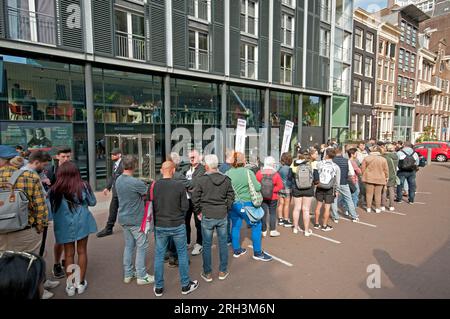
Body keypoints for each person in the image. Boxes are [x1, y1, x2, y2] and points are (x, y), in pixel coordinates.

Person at [48, 162, 97, 296]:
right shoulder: (83, 185)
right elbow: (93, 202)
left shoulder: (54, 189)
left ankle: (70, 285)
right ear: (76, 173)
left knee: (68, 253)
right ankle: (80, 283)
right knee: (82, 251)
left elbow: (50, 210)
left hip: (64, 223)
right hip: (82, 221)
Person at [152, 161, 198, 297]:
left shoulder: (155, 185)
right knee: (182, 254)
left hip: (160, 224)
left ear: (162, 170)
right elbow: (185, 206)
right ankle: (185, 285)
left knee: (159, 255)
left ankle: (159, 287)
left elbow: (152, 205)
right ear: (172, 171)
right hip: (177, 224)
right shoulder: (179, 185)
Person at [21, 150, 59, 299]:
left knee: (41, 251)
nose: (45, 168)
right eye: (43, 165)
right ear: (36, 162)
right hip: (36, 221)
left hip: (38, 220)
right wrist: (42, 221)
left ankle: (42, 281)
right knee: (35, 254)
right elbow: (37, 200)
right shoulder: (29, 175)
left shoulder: (33, 174)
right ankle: (38, 288)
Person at [192, 154, 234, 282]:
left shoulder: (202, 180)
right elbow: (231, 197)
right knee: (223, 244)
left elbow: (195, 198)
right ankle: (222, 270)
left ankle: (207, 272)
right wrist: (226, 208)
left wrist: (199, 211)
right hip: (221, 214)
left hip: (208, 215)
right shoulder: (226, 179)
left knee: (206, 244)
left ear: (206, 166)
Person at [0, 145, 48, 254]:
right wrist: (40, 226)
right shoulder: (29, 176)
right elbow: (40, 207)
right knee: (27, 265)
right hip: (24, 231)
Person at [226, 152, 272, 261]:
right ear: (243, 161)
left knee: (235, 226)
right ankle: (257, 252)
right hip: (247, 203)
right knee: (256, 225)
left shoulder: (227, 173)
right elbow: (257, 186)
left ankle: (237, 250)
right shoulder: (248, 172)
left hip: (233, 204)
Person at [115, 155, 154, 285]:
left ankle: (128, 273)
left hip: (123, 218)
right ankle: (141, 275)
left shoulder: (119, 179)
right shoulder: (135, 182)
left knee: (129, 246)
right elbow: (148, 193)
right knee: (142, 245)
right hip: (136, 219)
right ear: (135, 166)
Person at [43, 147, 73, 279]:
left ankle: (67, 260)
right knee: (60, 238)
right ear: (57, 157)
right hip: (58, 208)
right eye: (63, 156)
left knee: (71, 235)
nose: (66, 159)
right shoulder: (51, 170)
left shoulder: (73, 168)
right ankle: (56, 263)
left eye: (68, 156)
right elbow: (45, 190)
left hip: (71, 207)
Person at [167, 152, 192, 267]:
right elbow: (190, 185)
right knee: (179, 232)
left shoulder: (163, 175)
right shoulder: (178, 176)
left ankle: (170, 254)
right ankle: (177, 256)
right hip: (178, 207)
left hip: (167, 207)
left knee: (170, 232)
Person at [290, 152, 319, 236]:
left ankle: (295, 228)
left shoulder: (294, 165)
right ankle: (306, 231)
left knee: (296, 208)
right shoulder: (312, 165)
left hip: (297, 188)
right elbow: (316, 179)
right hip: (308, 188)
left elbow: (290, 177)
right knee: (306, 209)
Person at [183, 149, 205, 256]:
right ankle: (187, 242)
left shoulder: (202, 169)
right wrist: (189, 186)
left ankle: (199, 243)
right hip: (186, 200)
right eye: (190, 157)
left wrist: (187, 185)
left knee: (198, 223)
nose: (191, 159)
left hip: (198, 200)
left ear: (199, 157)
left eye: (194, 157)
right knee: (185, 222)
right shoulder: (186, 168)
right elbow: (184, 182)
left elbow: (195, 183)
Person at [97, 148, 123, 238]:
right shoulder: (115, 164)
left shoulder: (123, 164)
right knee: (113, 209)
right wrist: (107, 187)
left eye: (114, 154)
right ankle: (109, 228)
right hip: (116, 192)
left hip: (122, 191)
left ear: (119, 155)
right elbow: (113, 177)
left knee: (124, 209)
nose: (112, 156)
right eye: (111, 154)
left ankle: (109, 228)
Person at [314, 148, 340, 232]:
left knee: (318, 205)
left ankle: (316, 223)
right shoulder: (336, 167)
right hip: (330, 188)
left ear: (327, 155)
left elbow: (315, 174)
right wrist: (337, 190)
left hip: (319, 186)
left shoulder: (319, 164)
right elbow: (337, 181)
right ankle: (324, 225)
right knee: (327, 208)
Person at [256, 157, 284, 237]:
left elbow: (256, 184)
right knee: (272, 213)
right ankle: (272, 230)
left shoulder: (259, 173)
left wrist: (263, 190)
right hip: (273, 197)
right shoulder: (276, 174)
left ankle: (263, 230)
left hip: (262, 196)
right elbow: (280, 186)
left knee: (263, 213)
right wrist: (271, 190)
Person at [330, 148, 359, 223]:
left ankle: (335, 217)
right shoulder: (347, 161)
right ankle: (354, 216)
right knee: (349, 199)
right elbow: (351, 173)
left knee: (334, 200)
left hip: (334, 183)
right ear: (341, 153)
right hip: (344, 182)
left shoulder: (332, 161)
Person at [361, 146, 389, 213]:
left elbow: (362, 168)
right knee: (378, 194)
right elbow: (386, 170)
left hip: (369, 178)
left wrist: (364, 174)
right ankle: (377, 208)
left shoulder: (366, 158)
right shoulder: (383, 159)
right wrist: (387, 177)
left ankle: (368, 208)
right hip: (380, 178)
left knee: (369, 194)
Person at [276, 153, 293, 228]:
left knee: (280, 204)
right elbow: (290, 179)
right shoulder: (289, 169)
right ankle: (286, 220)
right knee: (286, 204)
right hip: (287, 188)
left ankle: (280, 219)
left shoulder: (280, 168)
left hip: (280, 187)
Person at [382, 144, 399, 211]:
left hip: (384, 175)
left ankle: (383, 205)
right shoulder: (396, 156)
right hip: (393, 174)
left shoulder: (384, 157)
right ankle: (391, 206)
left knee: (384, 190)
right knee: (391, 190)